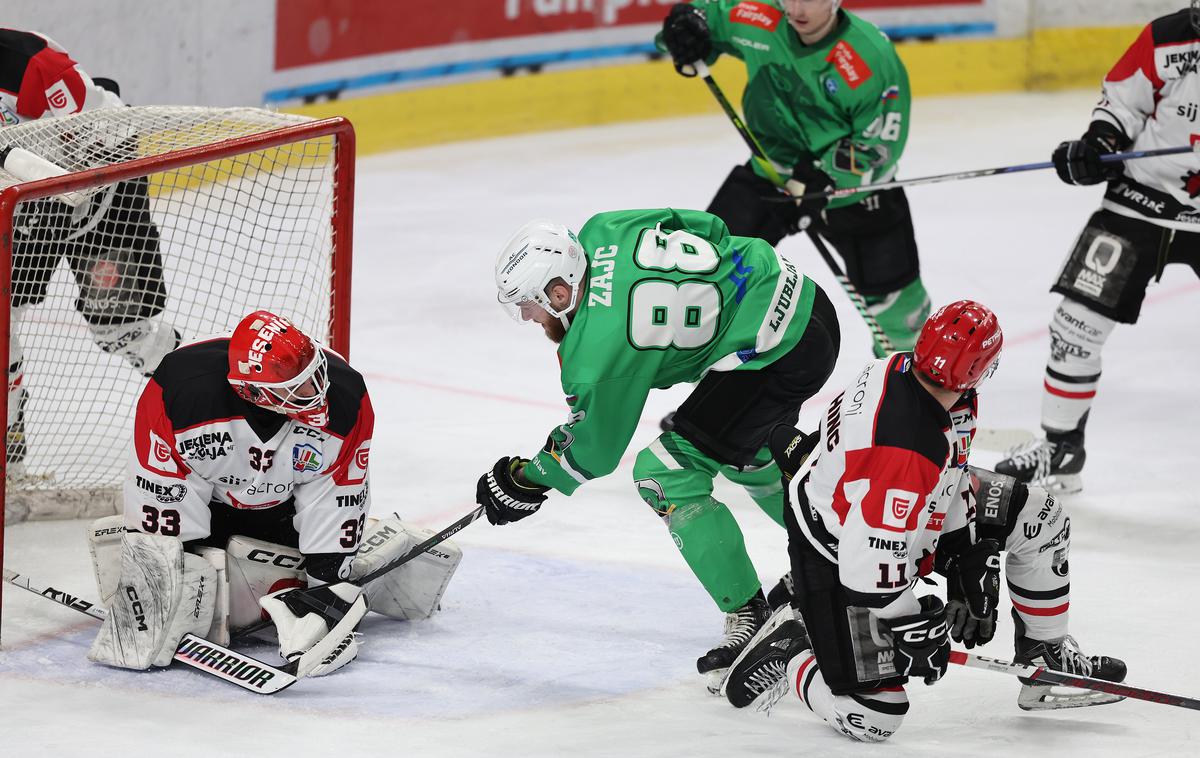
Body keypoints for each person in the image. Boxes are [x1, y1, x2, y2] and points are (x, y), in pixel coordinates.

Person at [716, 301, 1126, 742]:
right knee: (875, 716)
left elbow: (951, 474)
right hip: (834, 550)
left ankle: (1047, 658)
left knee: (1039, 515)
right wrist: (912, 624)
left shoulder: (926, 381)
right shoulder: (905, 449)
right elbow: (866, 569)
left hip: (877, 511)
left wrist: (963, 552)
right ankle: (792, 646)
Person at [476, 209, 840, 689]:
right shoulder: (605, 229)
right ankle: (839, 542)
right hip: (803, 300)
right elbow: (709, 226)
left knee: (664, 473)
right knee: (747, 455)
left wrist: (526, 478)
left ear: (559, 293)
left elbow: (592, 453)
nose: (527, 316)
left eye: (529, 304)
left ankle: (750, 613)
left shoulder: (596, 350)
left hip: (776, 352)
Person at [86, 310, 461, 677]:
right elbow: (162, 490)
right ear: (251, 391)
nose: (316, 395)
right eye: (297, 389)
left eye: (315, 377)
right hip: (212, 511)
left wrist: (328, 588)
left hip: (284, 514)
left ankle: (381, 548)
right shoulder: (180, 394)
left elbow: (337, 496)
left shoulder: (346, 397)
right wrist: (163, 570)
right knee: (192, 594)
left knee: (269, 593)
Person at [995, 3, 1200, 493]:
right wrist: (1100, 144)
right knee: (1076, 324)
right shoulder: (1168, 37)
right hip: (1139, 199)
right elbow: (1123, 102)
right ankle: (1061, 448)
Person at [657, 0, 932, 355]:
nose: (797, 9)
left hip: (854, 193)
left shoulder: (869, 56)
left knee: (899, 315)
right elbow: (693, 23)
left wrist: (824, 178)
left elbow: (880, 143)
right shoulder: (757, 15)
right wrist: (682, 30)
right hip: (773, 172)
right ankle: (715, 397)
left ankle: (909, 393)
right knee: (705, 271)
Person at [1, 28, 180, 475]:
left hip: (103, 178)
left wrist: (51, 186)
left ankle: (215, 401)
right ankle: (10, 467)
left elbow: (97, 134)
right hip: (20, 197)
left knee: (123, 331)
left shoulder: (28, 64)